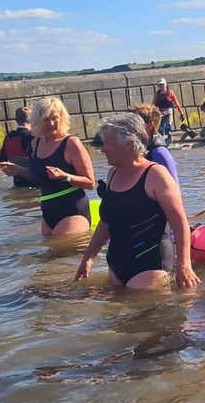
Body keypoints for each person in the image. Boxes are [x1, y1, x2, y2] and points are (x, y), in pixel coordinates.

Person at [74, 113, 198, 289]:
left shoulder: (156, 175)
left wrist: (184, 265)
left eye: (107, 143)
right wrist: (88, 258)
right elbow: (108, 221)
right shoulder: (113, 174)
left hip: (150, 266)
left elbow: (179, 222)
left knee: (136, 313)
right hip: (117, 266)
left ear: (129, 145)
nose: (102, 150)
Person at [1, 97, 96, 238]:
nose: (51, 124)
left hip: (73, 210)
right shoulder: (36, 143)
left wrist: (65, 176)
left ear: (62, 118)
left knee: (61, 253)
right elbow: (39, 178)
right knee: (47, 256)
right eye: (46, 119)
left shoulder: (71, 143)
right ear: (37, 121)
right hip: (48, 212)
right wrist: (17, 170)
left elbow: (90, 183)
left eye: (55, 118)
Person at [128, 103, 179, 183]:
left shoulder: (160, 154)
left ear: (149, 126)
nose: (127, 128)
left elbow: (175, 190)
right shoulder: (133, 151)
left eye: (132, 124)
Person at [0, 107, 36, 187]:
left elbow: (1, 161)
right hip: (34, 182)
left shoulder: (9, 137)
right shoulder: (32, 137)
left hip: (17, 182)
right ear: (31, 120)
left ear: (16, 120)